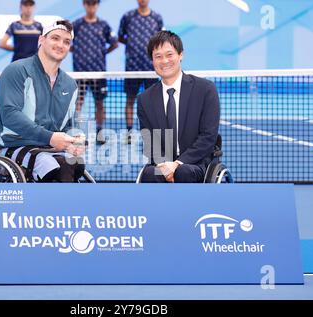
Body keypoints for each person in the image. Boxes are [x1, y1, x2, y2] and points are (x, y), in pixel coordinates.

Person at [0, 18, 86, 183]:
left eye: (66, 41)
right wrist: (49, 137)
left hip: (49, 147)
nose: (60, 45)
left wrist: (75, 138)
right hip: (12, 144)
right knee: (53, 167)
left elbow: (69, 123)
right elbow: (9, 114)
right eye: (55, 38)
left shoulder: (70, 85)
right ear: (41, 40)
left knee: (75, 164)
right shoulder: (16, 71)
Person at [137, 31, 220, 183]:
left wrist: (176, 164)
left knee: (184, 172)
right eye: (158, 56)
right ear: (152, 61)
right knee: (150, 174)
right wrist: (165, 167)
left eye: (170, 54)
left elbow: (208, 137)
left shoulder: (206, 89)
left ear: (180, 55)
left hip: (196, 163)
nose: (165, 61)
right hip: (162, 164)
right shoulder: (145, 99)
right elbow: (150, 142)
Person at [71, 0, 118, 145]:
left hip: (99, 73)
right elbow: (67, 42)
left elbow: (114, 43)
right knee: (78, 103)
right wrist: (78, 53)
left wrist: (102, 53)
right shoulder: (76, 25)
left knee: (99, 103)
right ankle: (77, 134)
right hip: (80, 73)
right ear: (84, 5)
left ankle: (99, 132)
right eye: (88, 3)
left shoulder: (103, 25)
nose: (91, 6)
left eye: (94, 3)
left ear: (97, 6)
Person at [118, 0, 163, 143]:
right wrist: (133, 46)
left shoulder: (156, 18)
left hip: (151, 68)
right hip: (132, 67)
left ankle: (151, 133)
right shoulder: (128, 17)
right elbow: (121, 37)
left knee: (153, 102)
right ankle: (130, 131)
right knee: (130, 100)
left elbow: (160, 40)